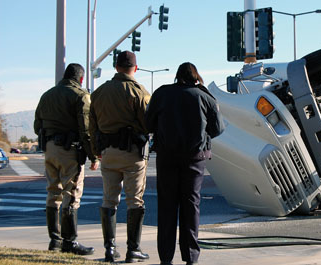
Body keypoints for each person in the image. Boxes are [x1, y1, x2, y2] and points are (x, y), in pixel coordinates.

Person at [145, 62, 224, 265]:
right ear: (196, 77)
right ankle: (190, 257)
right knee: (191, 206)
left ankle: (166, 258)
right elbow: (217, 128)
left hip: (167, 157)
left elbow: (148, 123)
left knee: (167, 206)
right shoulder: (204, 96)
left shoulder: (162, 94)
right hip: (194, 159)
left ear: (177, 76)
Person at [89, 51, 151, 263]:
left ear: (116, 67)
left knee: (109, 200)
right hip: (132, 153)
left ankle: (109, 248)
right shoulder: (139, 92)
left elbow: (92, 127)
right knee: (135, 201)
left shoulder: (99, 93)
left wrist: (96, 151)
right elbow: (147, 123)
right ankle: (132, 249)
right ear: (135, 68)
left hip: (108, 153)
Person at [34, 63, 99, 255]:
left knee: (53, 193)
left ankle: (55, 240)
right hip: (70, 150)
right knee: (71, 195)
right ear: (80, 79)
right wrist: (93, 155)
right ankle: (70, 242)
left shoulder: (47, 95)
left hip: (50, 148)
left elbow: (37, 125)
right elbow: (86, 129)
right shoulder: (80, 95)